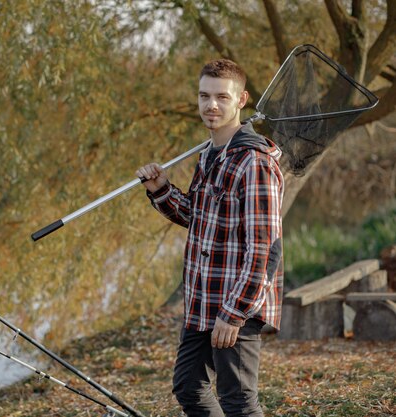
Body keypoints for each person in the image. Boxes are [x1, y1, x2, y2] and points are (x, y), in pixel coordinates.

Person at [136, 59, 284, 417]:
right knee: (189, 386)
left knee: (237, 400)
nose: (211, 105)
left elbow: (264, 248)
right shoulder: (208, 155)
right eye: (204, 96)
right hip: (204, 298)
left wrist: (233, 314)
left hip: (237, 302)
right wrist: (161, 190)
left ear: (241, 100)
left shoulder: (254, 161)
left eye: (221, 97)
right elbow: (197, 217)